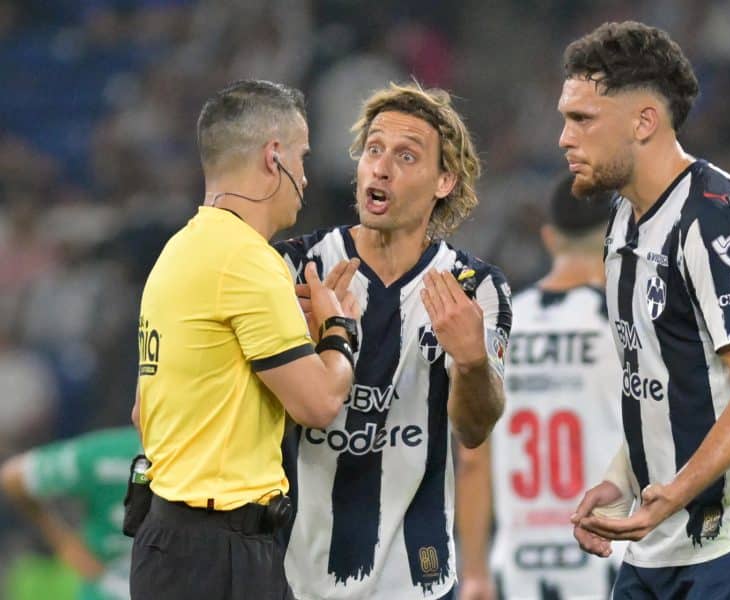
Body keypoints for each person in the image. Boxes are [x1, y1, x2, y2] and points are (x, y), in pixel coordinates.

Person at [558, 22, 730, 598]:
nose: (564, 137)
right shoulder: (622, 226)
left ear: (643, 122)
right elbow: (660, 385)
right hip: (660, 542)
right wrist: (621, 479)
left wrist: (673, 493)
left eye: (582, 119)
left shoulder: (714, 220)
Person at [274, 81, 511, 600]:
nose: (380, 168)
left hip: (417, 579)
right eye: (373, 150)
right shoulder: (293, 267)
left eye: (406, 156)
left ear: (444, 180)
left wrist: (471, 363)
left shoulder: (477, 289)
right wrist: (301, 348)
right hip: (294, 575)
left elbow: (474, 430)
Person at [129, 79, 356, 600]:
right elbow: (319, 404)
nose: (304, 174)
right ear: (273, 157)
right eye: (301, 156)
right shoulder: (248, 260)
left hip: (168, 541)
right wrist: (340, 328)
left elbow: (144, 414)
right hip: (220, 554)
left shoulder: (178, 253)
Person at [455, 175, 625, 600]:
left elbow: (474, 459)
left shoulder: (500, 327)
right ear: (619, 236)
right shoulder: (627, 328)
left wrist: (474, 571)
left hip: (518, 568)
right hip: (613, 563)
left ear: (550, 238)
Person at [1, 426, 141, 600]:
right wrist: (66, 545)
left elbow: (12, 476)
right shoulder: (108, 455)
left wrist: (65, 544)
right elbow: (13, 478)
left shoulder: (108, 453)